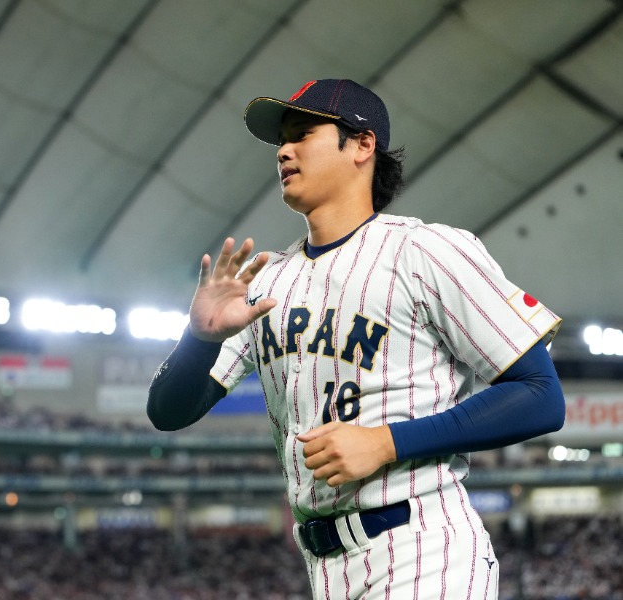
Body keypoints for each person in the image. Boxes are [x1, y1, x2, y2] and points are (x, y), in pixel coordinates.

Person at [147, 78, 565, 599]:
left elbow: (540, 395)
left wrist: (387, 442)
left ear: (363, 144)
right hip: (324, 568)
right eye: (282, 140)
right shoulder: (266, 283)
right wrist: (199, 339)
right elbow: (168, 412)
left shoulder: (424, 251)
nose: (283, 150)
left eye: (302, 133)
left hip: (423, 548)